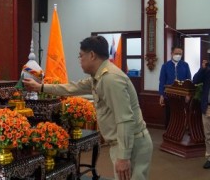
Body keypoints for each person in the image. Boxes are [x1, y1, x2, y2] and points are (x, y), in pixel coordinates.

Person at [23, 36, 153, 180]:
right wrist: (40, 87)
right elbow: (72, 88)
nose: (80, 60)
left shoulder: (110, 79)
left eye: (81, 56)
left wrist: (123, 156)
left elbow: (125, 120)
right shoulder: (99, 76)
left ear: (92, 55)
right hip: (125, 143)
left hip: (131, 144)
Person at [158, 46, 191, 128]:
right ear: (172, 53)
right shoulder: (165, 66)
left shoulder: (185, 65)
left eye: (180, 54)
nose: (178, 55)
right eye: (176, 53)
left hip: (182, 95)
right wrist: (161, 95)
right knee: (169, 114)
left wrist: (188, 94)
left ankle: (179, 132)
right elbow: (162, 81)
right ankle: (169, 132)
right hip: (169, 95)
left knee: (180, 114)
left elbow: (189, 81)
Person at [193, 59, 210, 169]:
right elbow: (195, 80)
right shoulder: (207, 70)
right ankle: (209, 158)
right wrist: (202, 68)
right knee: (208, 135)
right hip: (208, 107)